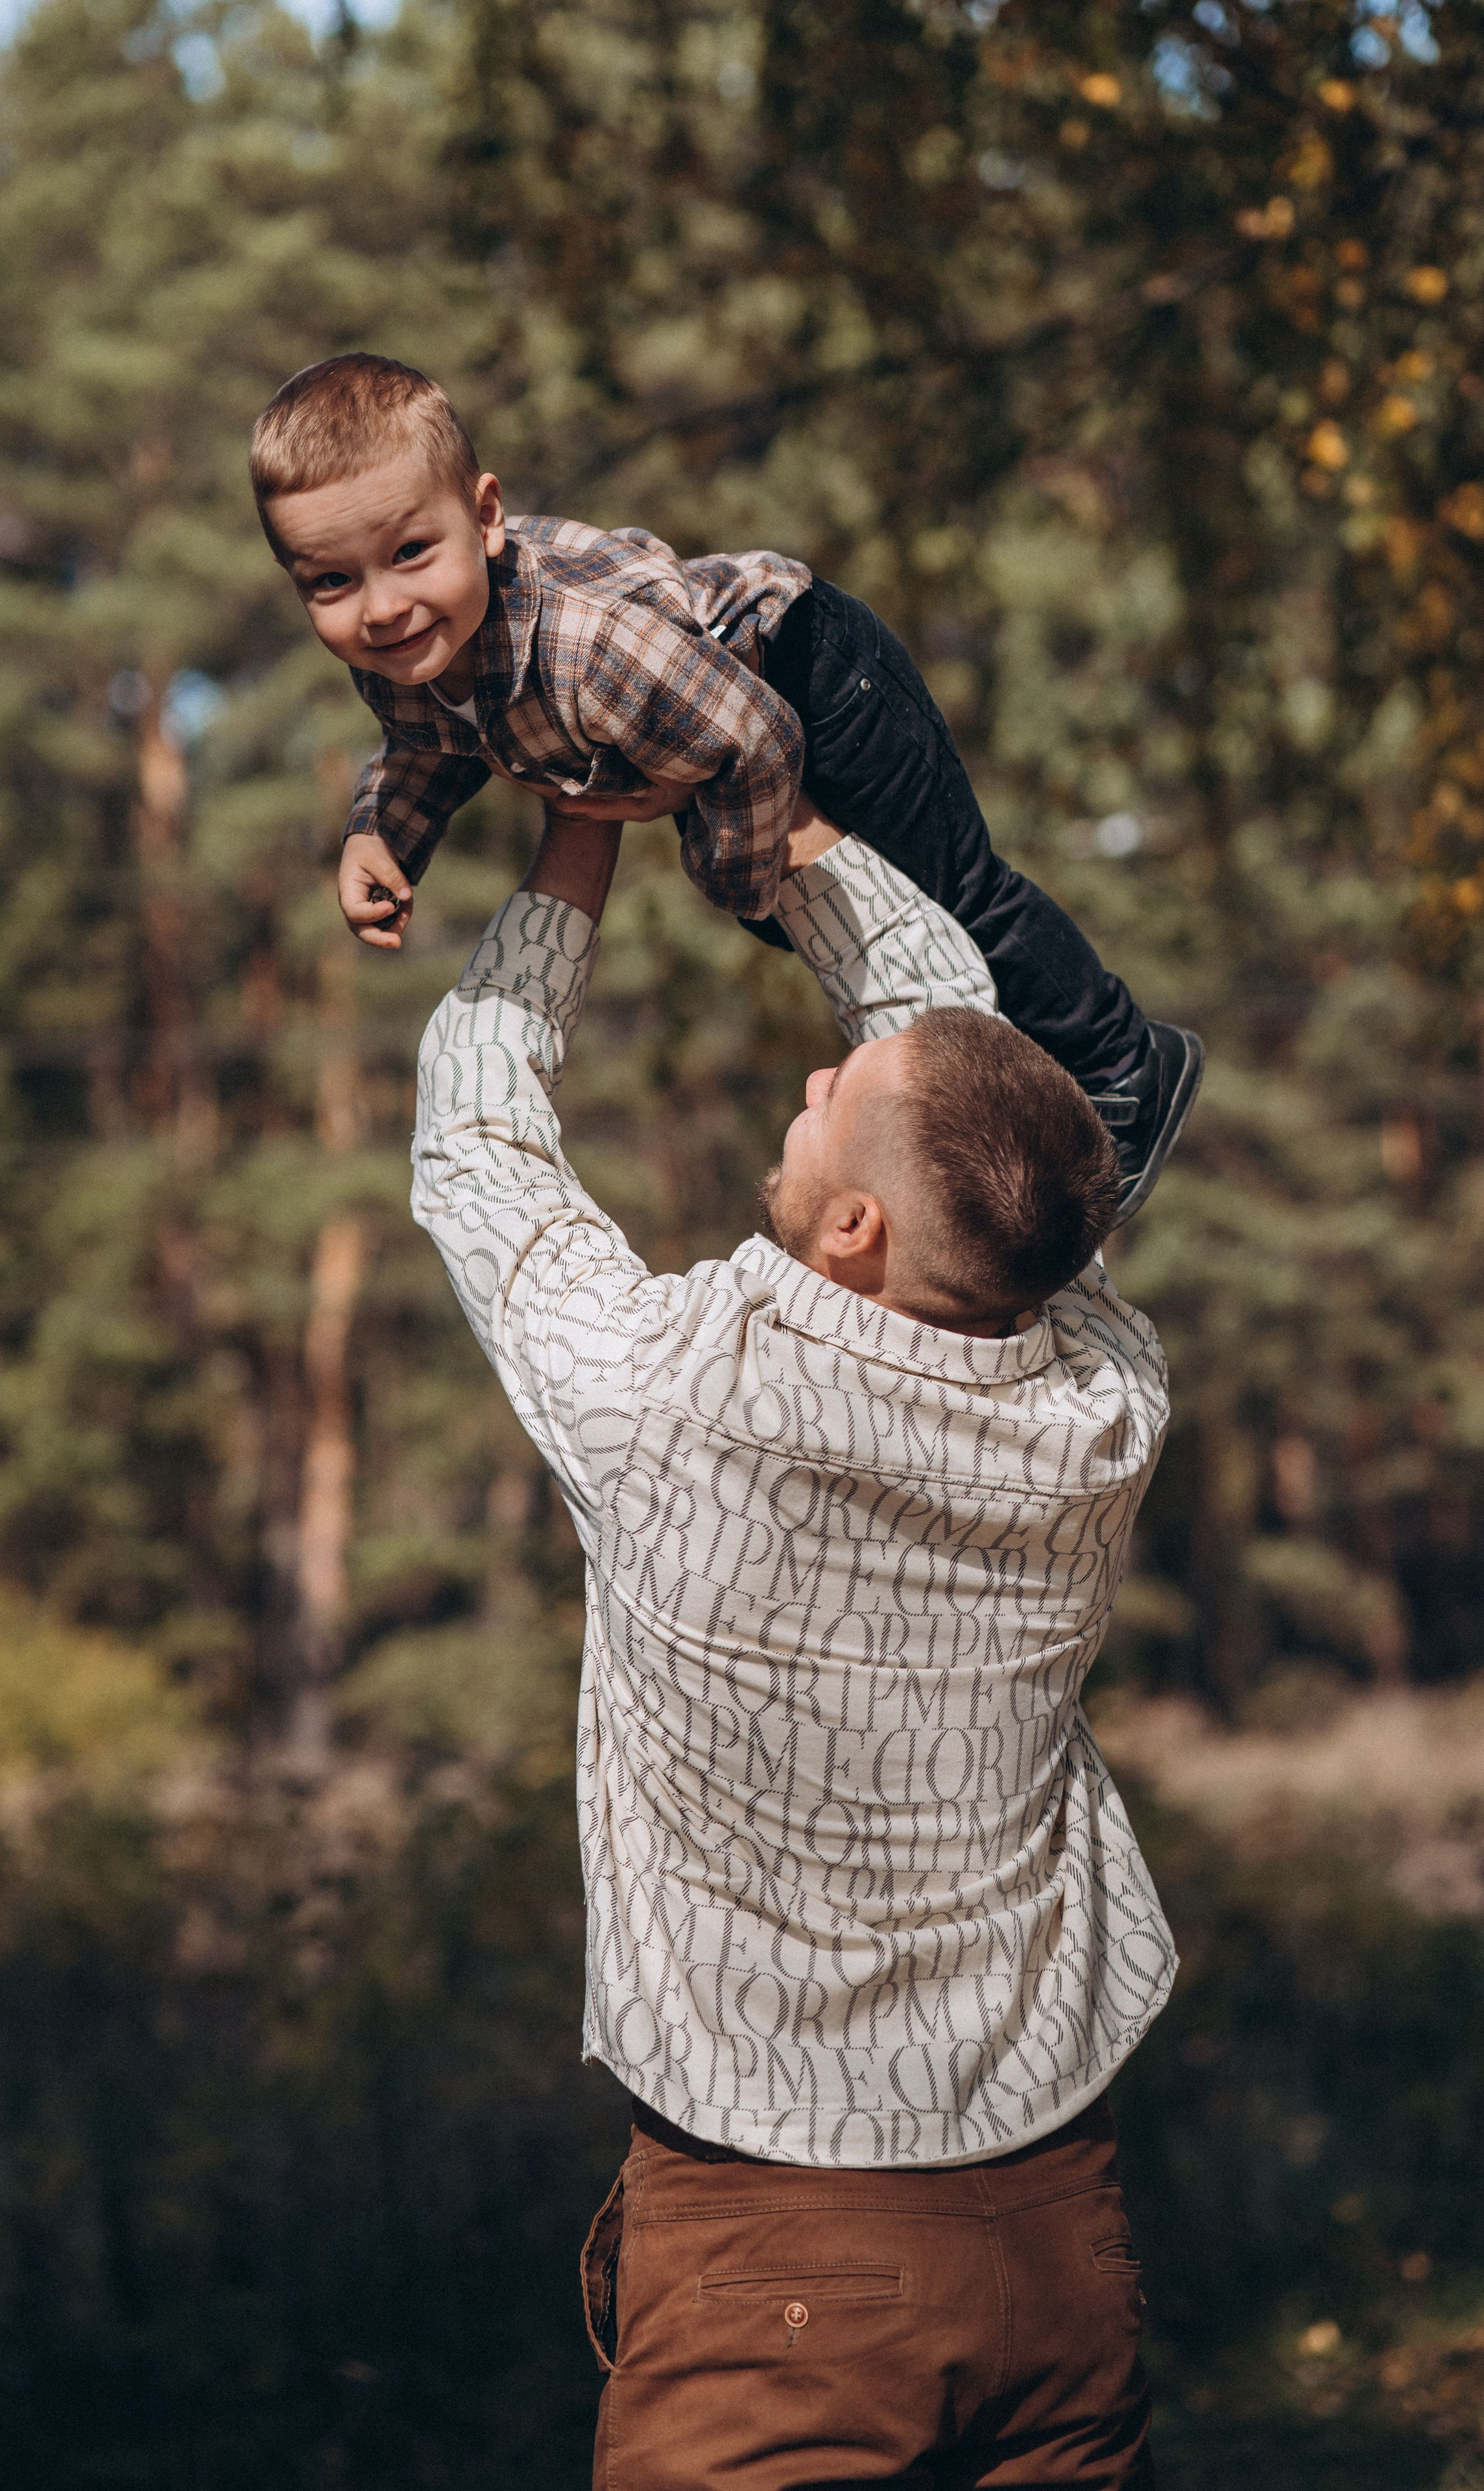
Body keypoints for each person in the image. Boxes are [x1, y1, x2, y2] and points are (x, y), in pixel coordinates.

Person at [410, 787, 1175, 2488]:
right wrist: (787, 823)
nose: (817, 1078)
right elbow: (955, 1065)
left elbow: (478, 1145)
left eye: (838, 1098)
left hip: (782, 2260)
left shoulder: (674, 1403)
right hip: (1060, 2235)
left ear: (855, 1231)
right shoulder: (1105, 1410)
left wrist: (581, 839)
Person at [250, 352, 1203, 1226]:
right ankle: (1035, 1115)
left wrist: (729, 872)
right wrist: (383, 832)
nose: (381, 608)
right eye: (332, 582)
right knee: (809, 916)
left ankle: (1124, 1064)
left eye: (411, 553)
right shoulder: (401, 659)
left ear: (486, 516)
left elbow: (758, 736)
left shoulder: (594, 648)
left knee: (946, 892)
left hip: (812, 677)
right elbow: (431, 743)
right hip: (720, 726)